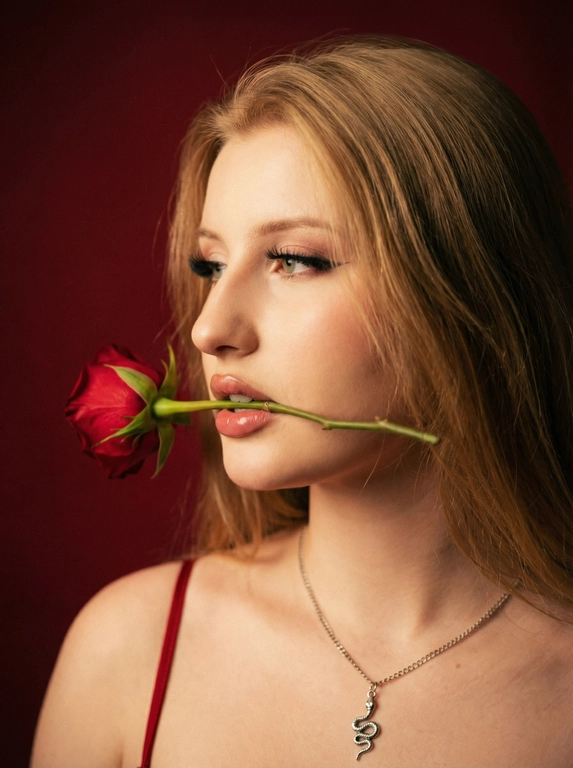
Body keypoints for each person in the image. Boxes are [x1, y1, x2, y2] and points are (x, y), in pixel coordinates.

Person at [31, 36, 573, 767]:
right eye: (211, 264)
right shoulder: (127, 650)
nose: (209, 328)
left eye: (295, 260)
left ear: (471, 290)